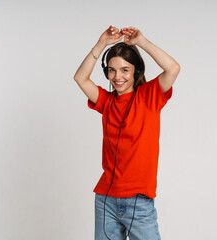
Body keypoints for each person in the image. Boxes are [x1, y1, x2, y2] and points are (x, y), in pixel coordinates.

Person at [73, 25, 180, 240]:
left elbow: (173, 68)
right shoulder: (106, 101)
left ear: (136, 71)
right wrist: (102, 43)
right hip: (106, 201)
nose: (117, 76)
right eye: (112, 70)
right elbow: (80, 78)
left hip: (139, 202)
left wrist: (141, 41)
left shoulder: (150, 96)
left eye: (125, 70)